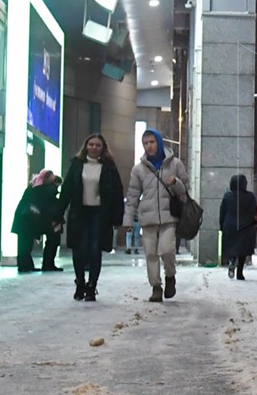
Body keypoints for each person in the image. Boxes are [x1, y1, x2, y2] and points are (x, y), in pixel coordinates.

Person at [58, 134, 125, 302]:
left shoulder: (109, 168)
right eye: (91, 144)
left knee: (95, 249)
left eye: (98, 145)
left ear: (103, 148)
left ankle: (91, 286)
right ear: (86, 146)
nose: (94, 148)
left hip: (99, 214)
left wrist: (117, 218)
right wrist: (58, 214)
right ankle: (80, 282)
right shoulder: (77, 165)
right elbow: (66, 190)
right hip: (79, 213)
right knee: (78, 249)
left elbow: (117, 193)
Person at [126, 129, 190, 303]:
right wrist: (128, 220)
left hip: (169, 216)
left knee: (167, 250)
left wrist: (175, 182)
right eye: (145, 143)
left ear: (159, 142)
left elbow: (185, 190)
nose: (149, 146)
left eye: (152, 142)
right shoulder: (138, 169)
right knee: (150, 254)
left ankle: (170, 276)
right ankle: (156, 287)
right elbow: (132, 196)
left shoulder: (175, 164)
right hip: (147, 218)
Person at [11, 170, 63, 273]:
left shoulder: (34, 188)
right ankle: (40, 265)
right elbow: (48, 207)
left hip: (26, 219)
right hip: (30, 219)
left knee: (25, 243)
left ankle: (25, 265)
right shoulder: (45, 190)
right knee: (29, 243)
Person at [218, 174, 257, 280]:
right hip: (245, 226)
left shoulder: (227, 195)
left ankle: (231, 262)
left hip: (230, 225)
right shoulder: (250, 196)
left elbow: (222, 211)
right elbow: (254, 212)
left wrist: (222, 226)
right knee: (243, 250)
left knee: (231, 247)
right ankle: (240, 272)